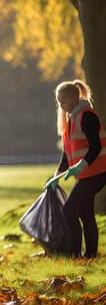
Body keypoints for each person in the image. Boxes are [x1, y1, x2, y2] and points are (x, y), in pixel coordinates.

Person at [45, 80, 106, 258]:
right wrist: (56, 176)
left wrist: (81, 165)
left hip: (97, 173)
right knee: (85, 214)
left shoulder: (87, 116)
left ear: (74, 97)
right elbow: (67, 154)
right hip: (86, 175)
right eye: (59, 103)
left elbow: (95, 147)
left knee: (69, 210)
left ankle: (74, 253)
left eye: (63, 101)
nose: (61, 107)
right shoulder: (71, 121)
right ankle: (90, 256)